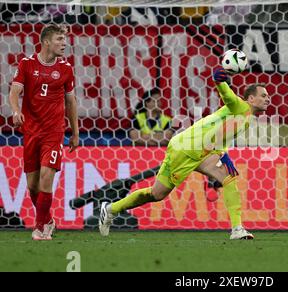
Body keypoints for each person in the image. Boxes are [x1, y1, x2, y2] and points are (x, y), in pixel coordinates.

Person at [99, 68, 270, 240]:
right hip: (186, 149)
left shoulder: (246, 119)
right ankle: (111, 209)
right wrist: (220, 80)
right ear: (251, 98)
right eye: (263, 95)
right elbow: (228, 96)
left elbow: (221, 135)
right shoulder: (240, 105)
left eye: (268, 96)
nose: (267, 98)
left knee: (228, 177)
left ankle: (237, 229)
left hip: (199, 152)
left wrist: (223, 154)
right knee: (157, 194)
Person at [8, 24, 79, 240]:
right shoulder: (27, 64)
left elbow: (71, 101)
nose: (64, 44)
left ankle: (40, 228)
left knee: (47, 177)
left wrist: (75, 132)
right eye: (59, 39)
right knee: (32, 186)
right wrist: (16, 111)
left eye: (64, 40)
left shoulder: (66, 68)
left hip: (53, 132)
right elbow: (15, 91)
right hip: (31, 131)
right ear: (46, 41)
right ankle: (48, 219)